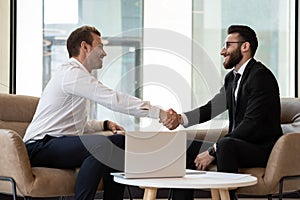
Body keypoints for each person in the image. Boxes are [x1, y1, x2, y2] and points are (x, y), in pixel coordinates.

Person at [23, 25, 168, 200]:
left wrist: (104, 124)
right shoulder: (72, 74)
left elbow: (75, 124)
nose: (104, 53)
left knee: (117, 142)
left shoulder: (75, 76)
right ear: (85, 47)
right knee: (101, 145)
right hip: (39, 146)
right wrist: (158, 113)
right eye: (100, 46)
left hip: (57, 143)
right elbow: (114, 99)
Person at [163, 25, 283, 200]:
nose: (222, 51)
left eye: (228, 45)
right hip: (237, 144)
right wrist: (180, 119)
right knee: (185, 146)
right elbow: (212, 108)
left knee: (226, 145)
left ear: (245, 46)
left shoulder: (261, 77)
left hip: (261, 148)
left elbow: (251, 124)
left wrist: (214, 150)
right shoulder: (232, 78)